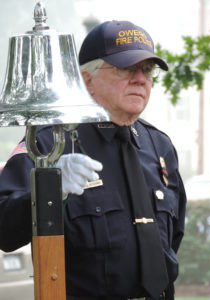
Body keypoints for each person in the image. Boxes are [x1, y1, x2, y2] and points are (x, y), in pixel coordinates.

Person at [0, 20, 186, 300]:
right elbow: (5, 230)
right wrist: (48, 187)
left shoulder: (159, 145)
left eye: (147, 70)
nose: (140, 79)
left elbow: (172, 238)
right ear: (86, 79)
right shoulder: (50, 144)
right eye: (126, 68)